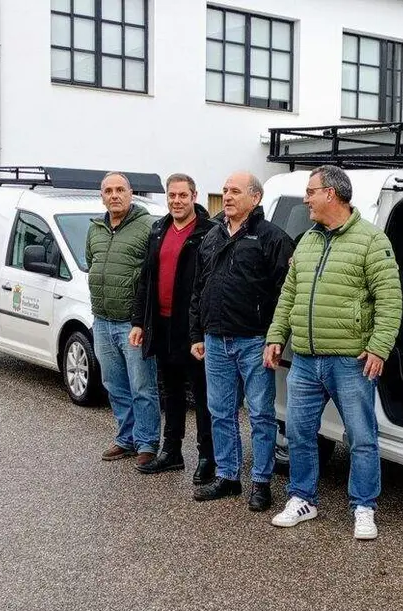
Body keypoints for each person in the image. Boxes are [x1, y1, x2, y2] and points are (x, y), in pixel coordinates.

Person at [263, 165, 401, 540]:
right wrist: (277, 335)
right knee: (299, 431)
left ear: (332, 194)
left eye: (311, 191)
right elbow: (289, 294)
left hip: (349, 361)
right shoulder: (307, 240)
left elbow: (390, 300)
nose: (306, 199)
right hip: (306, 360)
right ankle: (302, 498)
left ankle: (363, 506)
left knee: (361, 436)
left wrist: (379, 347)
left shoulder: (372, 241)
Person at [190, 171, 294, 511]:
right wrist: (197, 333)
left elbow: (285, 294)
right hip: (215, 339)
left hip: (254, 341)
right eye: (224, 190)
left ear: (256, 198)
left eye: (235, 191)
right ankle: (228, 477)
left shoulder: (272, 238)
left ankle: (261, 482)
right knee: (220, 412)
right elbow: (199, 288)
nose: (228, 196)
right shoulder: (212, 235)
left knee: (262, 414)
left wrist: (275, 338)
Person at [129, 173, 216, 483]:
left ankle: (208, 457)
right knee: (172, 392)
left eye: (183, 195)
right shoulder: (159, 229)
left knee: (203, 396)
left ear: (194, 197)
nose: (177, 201)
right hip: (162, 324)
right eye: (172, 196)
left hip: (193, 329)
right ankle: (171, 452)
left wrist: (202, 330)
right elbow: (146, 279)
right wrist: (140, 321)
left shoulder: (209, 232)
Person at [86, 171, 160, 467]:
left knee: (142, 386)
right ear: (101, 196)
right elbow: (91, 263)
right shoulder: (95, 229)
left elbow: (153, 275)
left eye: (120, 190)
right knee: (114, 384)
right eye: (108, 191)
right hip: (102, 319)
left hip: (133, 323)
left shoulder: (147, 227)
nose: (114, 195)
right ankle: (125, 438)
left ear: (131, 193)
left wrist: (141, 320)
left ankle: (147, 442)